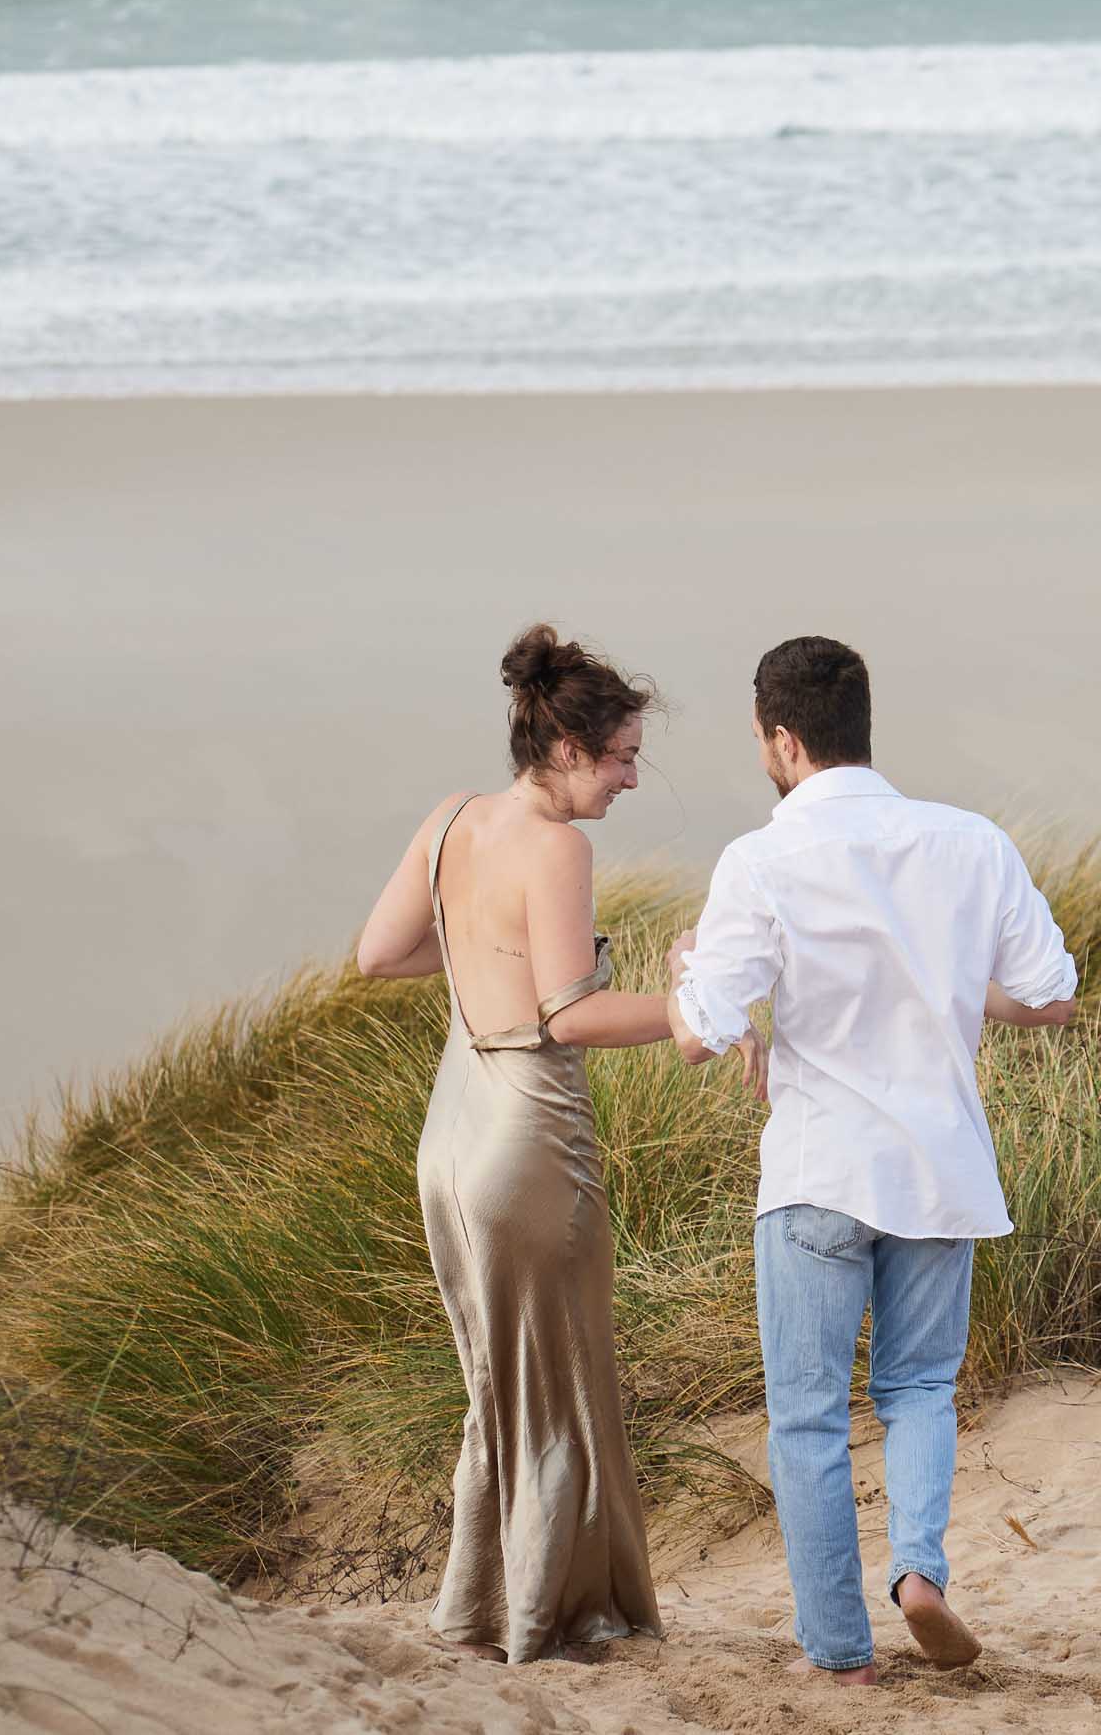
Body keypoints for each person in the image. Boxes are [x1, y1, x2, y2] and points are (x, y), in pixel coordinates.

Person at [667, 634, 1077, 1688]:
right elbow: (1048, 994)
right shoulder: (970, 842)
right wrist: (940, 979)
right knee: (920, 1389)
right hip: (939, 1171)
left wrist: (687, 982)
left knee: (807, 1418)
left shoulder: (760, 859)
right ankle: (921, 1576)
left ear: (784, 740)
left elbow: (700, 1030)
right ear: (861, 730)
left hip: (819, 1170)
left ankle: (842, 1657)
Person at [356, 624, 761, 1665]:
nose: (631, 778)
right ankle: (546, 1619)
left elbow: (379, 953)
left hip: (451, 1133)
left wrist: (488, 951)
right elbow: (571, 1016)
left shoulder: (454, 820)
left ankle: (477, 1612)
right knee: (561, 1385)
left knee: (499, 1384)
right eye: (623, 755)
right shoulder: (558, 845)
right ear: (571, 749)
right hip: (526, 1135)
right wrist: (689, 1013)